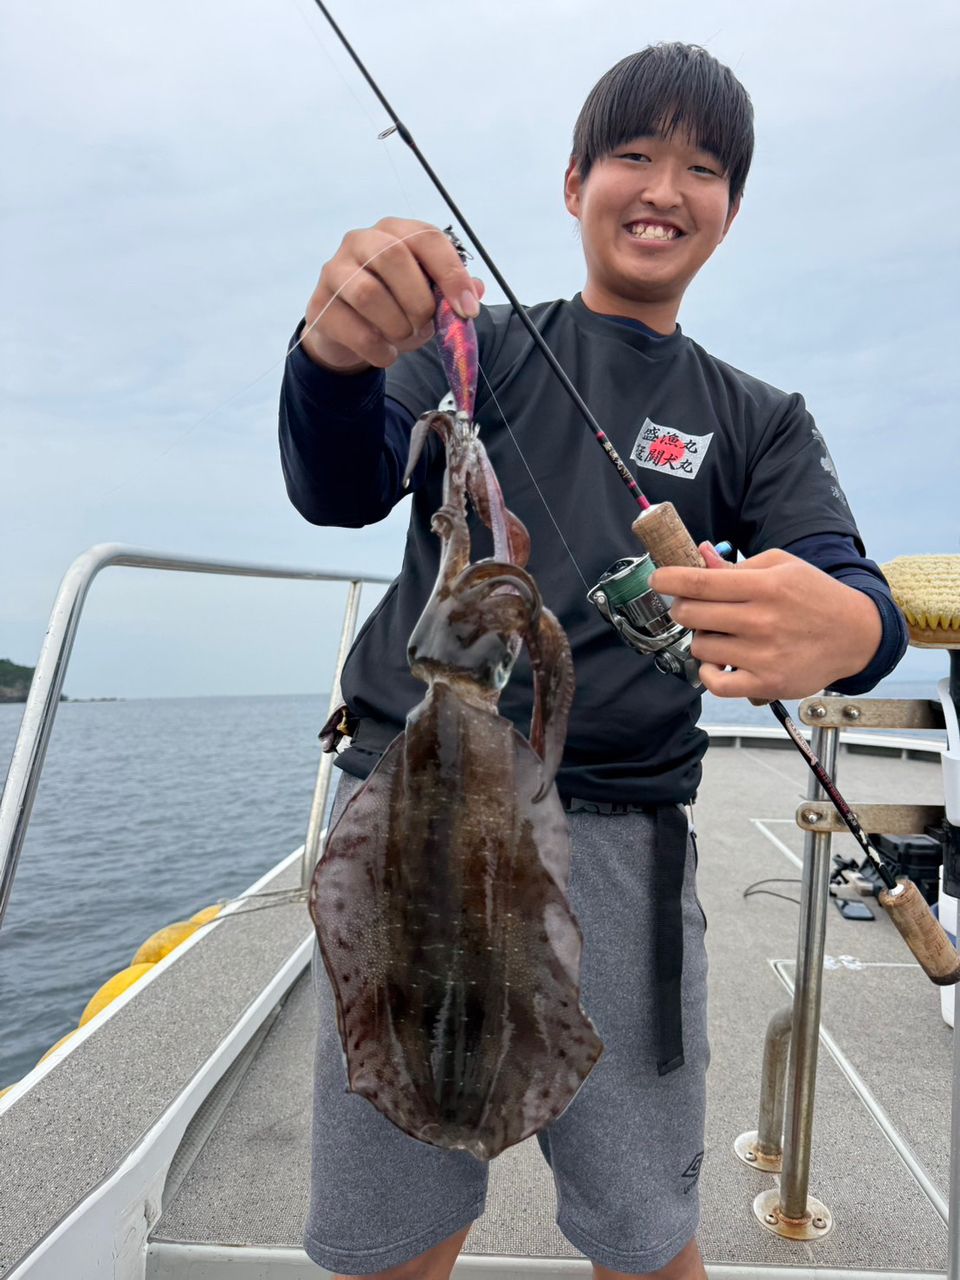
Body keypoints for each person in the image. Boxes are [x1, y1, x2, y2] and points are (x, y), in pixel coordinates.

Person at [279, 42, 906, 1280]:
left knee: (644, 1223)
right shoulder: (471, 349)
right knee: (389, 1229)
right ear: (574, 183)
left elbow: (851, 587)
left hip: (622, 837)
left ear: (731, 211)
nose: (664, 187)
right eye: (633, 154)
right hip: (415, 819)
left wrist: (850, 630)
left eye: (703, 168)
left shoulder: (758, 416)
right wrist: (333, 357)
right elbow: (339, 479)